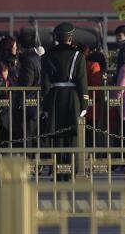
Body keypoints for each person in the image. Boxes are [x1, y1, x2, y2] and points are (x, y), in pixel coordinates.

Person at [39, 22, 88, 179]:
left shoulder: (47, 56)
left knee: (57, 136)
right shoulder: (78, 56)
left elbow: (45, 83)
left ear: (57, 38)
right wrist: (84, 102)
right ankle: (72, 171)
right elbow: (82, 81)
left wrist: (45, 104)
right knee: (72, 135)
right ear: (70, 38)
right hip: (73, 97)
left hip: (55, 96)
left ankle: (58, 171)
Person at [15, 29, 42, 147]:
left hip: (28, 103)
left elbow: (26, 84)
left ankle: (30, 163)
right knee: (32, 134)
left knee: (27, 135)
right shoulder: (35, 58)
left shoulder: (28, 60)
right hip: (34, 102)